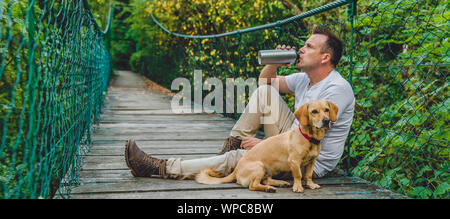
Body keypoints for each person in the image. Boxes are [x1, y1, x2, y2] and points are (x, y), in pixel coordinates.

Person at [124, 26, 355, 180]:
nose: (302, 50)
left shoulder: (337, 89)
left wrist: (264, 145)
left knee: (242, 158)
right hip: (294, 139)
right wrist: (274, 62)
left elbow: (314, 133)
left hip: (307, 161)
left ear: (325, 58)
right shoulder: (305, 79)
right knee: (265, 93)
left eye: (309, 47)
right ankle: (229, 151)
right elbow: (265, 82)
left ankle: (159, 167)